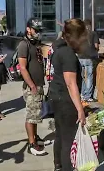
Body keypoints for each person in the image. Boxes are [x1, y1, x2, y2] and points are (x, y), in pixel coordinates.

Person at [49, 18, 87, 171]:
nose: (85, 38)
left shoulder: (59, 50)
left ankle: (58, 166)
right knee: (68, 140)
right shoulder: (69, 54)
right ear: (76, 36)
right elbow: (71, 84)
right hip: (66, 101)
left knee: (60, 135)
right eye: (83, 35)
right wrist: (80, 109)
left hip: (57, 99)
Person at [17, 18, 47, 156]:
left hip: (38, 85)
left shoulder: (35, 44)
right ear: (28, 29)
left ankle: (35, 137)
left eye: (39, 30)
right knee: (31, 116)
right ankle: (31, 144)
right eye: (36, 30)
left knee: (36, 114)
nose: (38, 33)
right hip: (32, 87)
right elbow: (23, 68)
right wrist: (32, 85)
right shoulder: (24, 44)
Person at [77, 19, 100, 102]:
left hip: (80, 57)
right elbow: (96, 46)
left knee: (83, 77)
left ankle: (82, 94)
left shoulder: (80, 34)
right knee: (89, 77)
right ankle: (88, 96)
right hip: (89, 58)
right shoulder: (93, 33)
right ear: (89, 25)